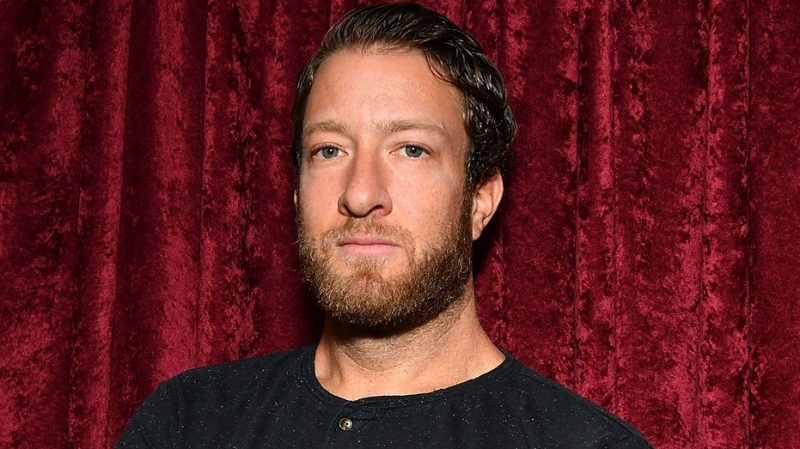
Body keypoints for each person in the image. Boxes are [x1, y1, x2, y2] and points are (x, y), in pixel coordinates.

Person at [116, 3, 652, 448]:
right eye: (329, 150)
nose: (360, 193)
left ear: (480, 200)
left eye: (411, 149)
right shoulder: (186, 423)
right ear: (297, 193)